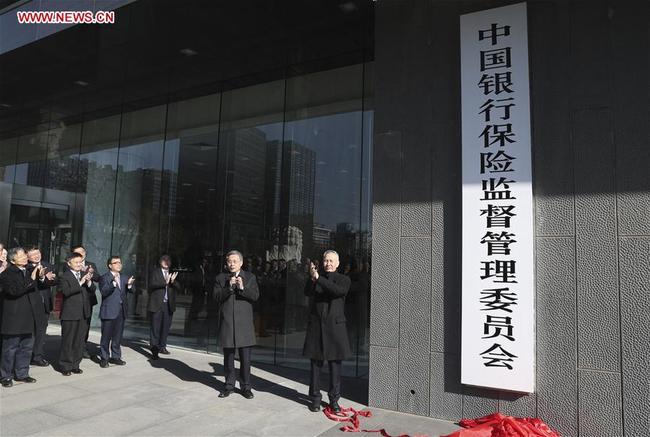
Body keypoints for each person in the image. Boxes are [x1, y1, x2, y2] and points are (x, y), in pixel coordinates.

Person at [303, 250, 352, 413]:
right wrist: (312, 278)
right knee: (315, 366)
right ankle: (315, 399)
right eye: (326, 261)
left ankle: (334, 400)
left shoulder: (344, 279)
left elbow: (337, 291)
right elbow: (307, 292)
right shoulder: (316, 278)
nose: (328, 263)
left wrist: (319, 279)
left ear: (337, 263)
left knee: (335, 367)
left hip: (335, 328)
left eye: (331, 261)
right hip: (317, 327)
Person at [213, 250, 259, 399]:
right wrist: (229, 287)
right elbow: (216, 297)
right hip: (228, 322)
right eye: (229, 261)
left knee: (245, 359)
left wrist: (242, 288)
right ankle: (229, 385)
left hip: (244, 324)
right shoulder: (221, 278)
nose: (231, 264)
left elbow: (255, 296)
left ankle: (246, 386)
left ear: (241, 263)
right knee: (228, 358)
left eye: (234, 261)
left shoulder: (250, 277)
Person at [0, 247, 41, 387]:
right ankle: (5, 375)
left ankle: (22, 373)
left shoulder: (30, 270)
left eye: (24, 255)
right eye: (20, 256)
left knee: (26, 347)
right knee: (10, 348)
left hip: (29, 315)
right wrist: (31, 279)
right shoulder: (7, 274)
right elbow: (14, 291)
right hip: (13, 317)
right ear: (12, 260)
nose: (24, 257)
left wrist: (40, 277)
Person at [59, 252, 95, 376]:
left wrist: (89, 282)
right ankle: (65, 365)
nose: (79, 264)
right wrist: (80, 282)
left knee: (80, 340)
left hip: (83, 312)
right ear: (69, 263)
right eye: (76, 262)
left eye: (80, 262)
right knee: (68, 340)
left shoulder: (84, 274)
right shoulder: (64, 276)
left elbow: (93, 290)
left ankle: (75, 364)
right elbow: (66, 292)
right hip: (70, 313)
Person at [98, 256, 134, 368]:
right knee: (106, 337)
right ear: (110, 265)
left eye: (120, 262)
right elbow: (103, 292)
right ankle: (104, 358)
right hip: (109, 311)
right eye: (116, 263)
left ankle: (116, 356)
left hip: (121, 311)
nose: (119, 264)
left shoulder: (124, 277)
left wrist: (129, 285)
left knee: (117, 336)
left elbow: (132, 291)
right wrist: (112, 284)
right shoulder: (104, 277)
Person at [26, 246, 57, 367]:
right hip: (30, 304)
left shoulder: (48, 265)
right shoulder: (26, 268)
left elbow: (55, 280)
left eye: (37, 253)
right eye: (33, 255)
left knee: (41, 331)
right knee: (29, 332)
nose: (36, 256)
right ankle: (26, 356)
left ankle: (37, 356)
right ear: (28, 257)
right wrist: (41, 277)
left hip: (44, 303)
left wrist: (46, 279)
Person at [148, 254, 179, 360]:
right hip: (157, 304)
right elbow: (151, 284)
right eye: (164, 260)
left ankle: (162, 346)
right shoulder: (155, 272)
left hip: (168, 305)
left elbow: (179, 287)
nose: (166, 262)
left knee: (165, 327)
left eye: (168, 260)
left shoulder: (172, 273)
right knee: (155, 328)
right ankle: (154, 349)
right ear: (160, 262)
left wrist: (173, 282)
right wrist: (164, 283)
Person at [71, 245, 100, 359]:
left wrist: (91, 273)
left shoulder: (91, 264)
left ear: (85, 253)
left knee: (85, 326)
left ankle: (83, 348)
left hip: (88, 299)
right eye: (77, 253)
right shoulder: (69, 264)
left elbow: (98, 278)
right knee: (74, 326)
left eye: (82, 252)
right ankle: (72, 348)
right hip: (74, 299)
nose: (80, 254)